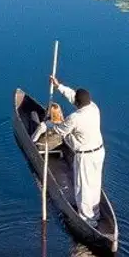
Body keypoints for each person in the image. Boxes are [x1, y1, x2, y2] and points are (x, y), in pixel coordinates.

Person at [38, 75, 105, 224]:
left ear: (78, 103)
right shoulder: (93, 108)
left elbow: (60, 131)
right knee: (95, 184)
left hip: (85, 156)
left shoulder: (75, 118)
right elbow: (73, 96)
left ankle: (87, 220)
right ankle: (95, 213)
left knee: (83, 187)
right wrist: (58, 86)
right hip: (99, 152)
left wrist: (49, 124)